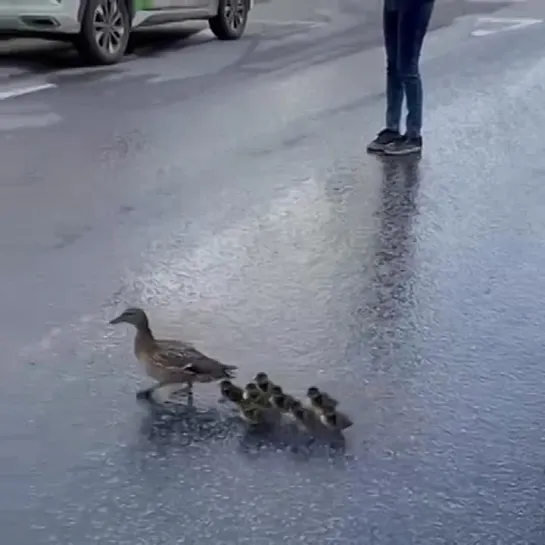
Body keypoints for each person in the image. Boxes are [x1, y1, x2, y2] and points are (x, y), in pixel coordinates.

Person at [367, 0, 436, 156]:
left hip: (415, 5)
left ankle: (413, 135)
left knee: (407, 67)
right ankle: (392, 128)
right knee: (393, 66)